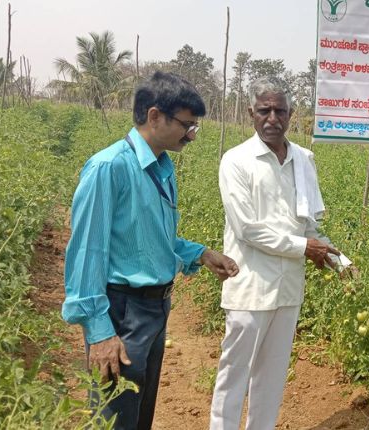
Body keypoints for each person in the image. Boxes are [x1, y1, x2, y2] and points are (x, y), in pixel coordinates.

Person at [62, 71, 239, 430]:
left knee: (139, 413)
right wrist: (100, 333)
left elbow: (152, 238)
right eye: (186, 125)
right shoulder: (108, 168)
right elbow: (87, 253)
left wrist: (201, 254)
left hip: (155, 307)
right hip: (121, 311)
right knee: (116, 416)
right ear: (154, 116)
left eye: (195, 127)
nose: (191, 134)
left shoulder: (161, 166)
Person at [210, 76, 356, 430]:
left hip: (288, 287)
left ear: (291, 114)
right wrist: (305, 247)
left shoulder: (304, 160)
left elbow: (308, 226)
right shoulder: (237, 161)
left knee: (272, 377)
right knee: (235, 375)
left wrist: (340, 262)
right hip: (250, 285)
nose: (272, 118)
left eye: (280, 110)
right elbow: (248, 228)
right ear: (251, 113)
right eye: (265, 110)